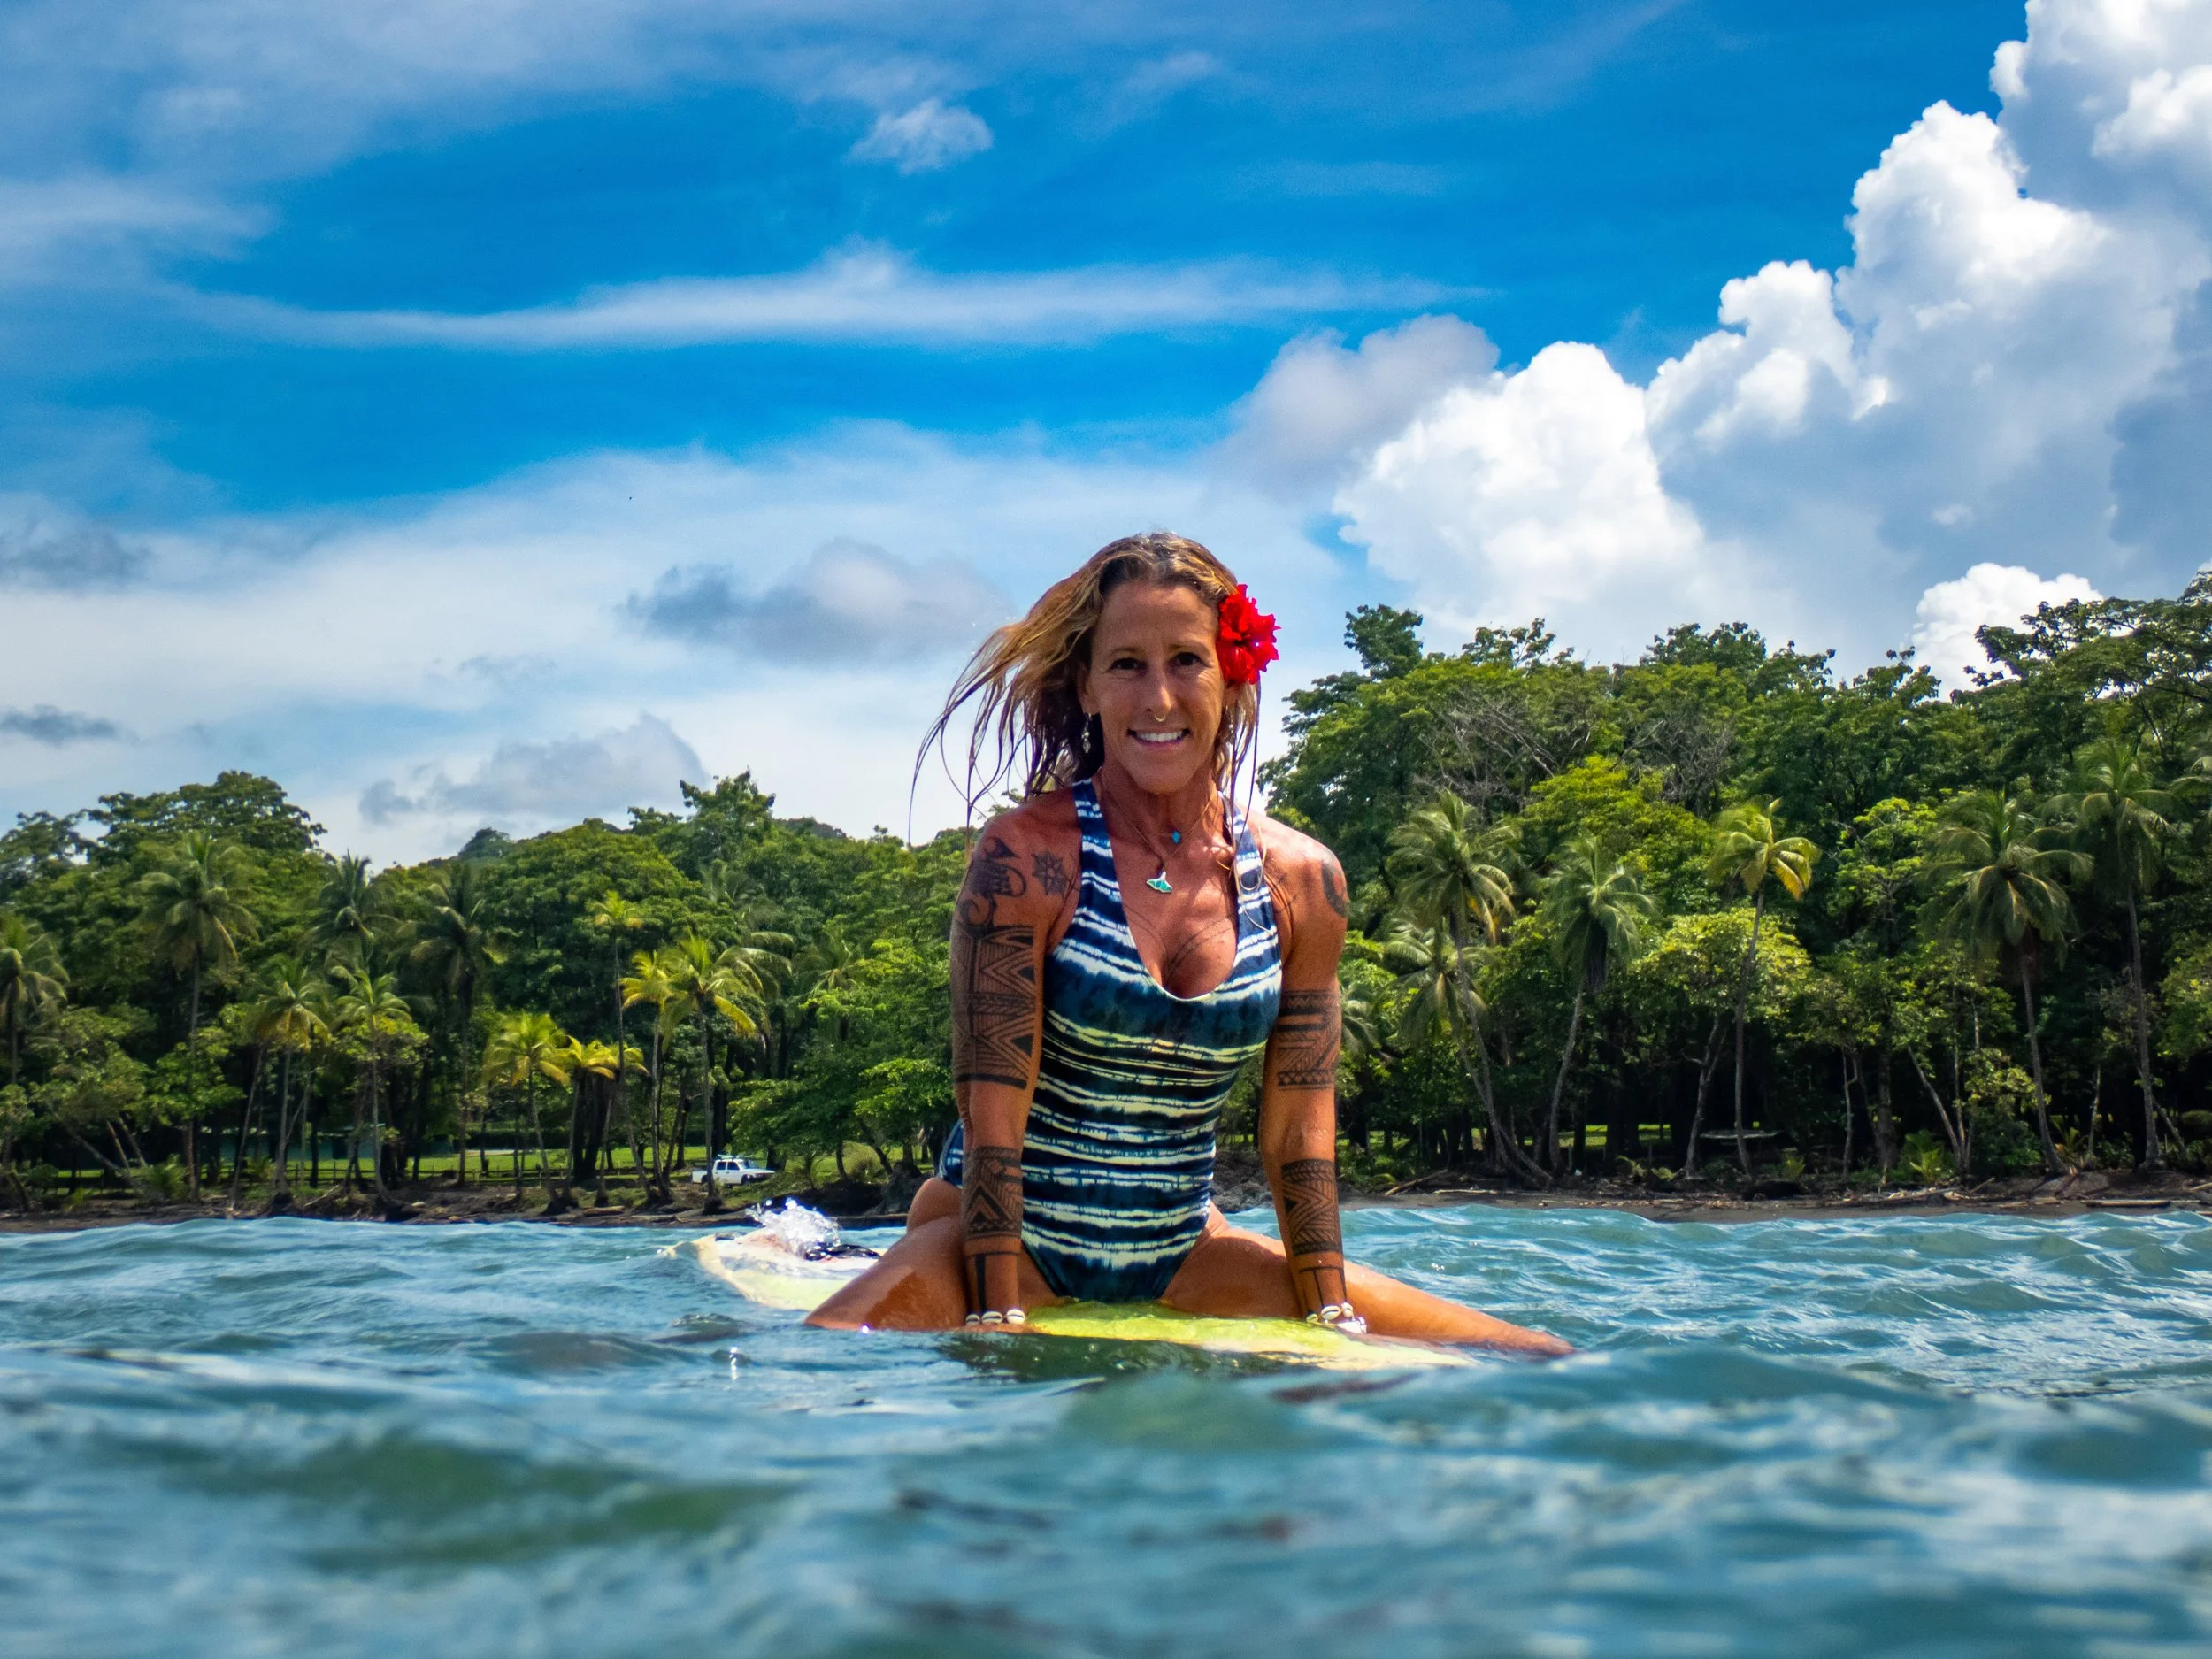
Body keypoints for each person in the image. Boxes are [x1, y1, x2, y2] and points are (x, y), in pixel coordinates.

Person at [808, 533, 1568, 1355]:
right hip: (995, 1243)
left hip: (1178, 1252)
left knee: (1529, 1353)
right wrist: (997, 1316)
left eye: (1186, 661)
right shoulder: (1026, 859)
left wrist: (1329, 1316)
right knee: (807, 1367)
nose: (1159, 698)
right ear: (1087, 685)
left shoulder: (1303, 884)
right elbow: (990, 1120)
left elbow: (1296, 1134)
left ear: (1231, 671)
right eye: (1127, 663)